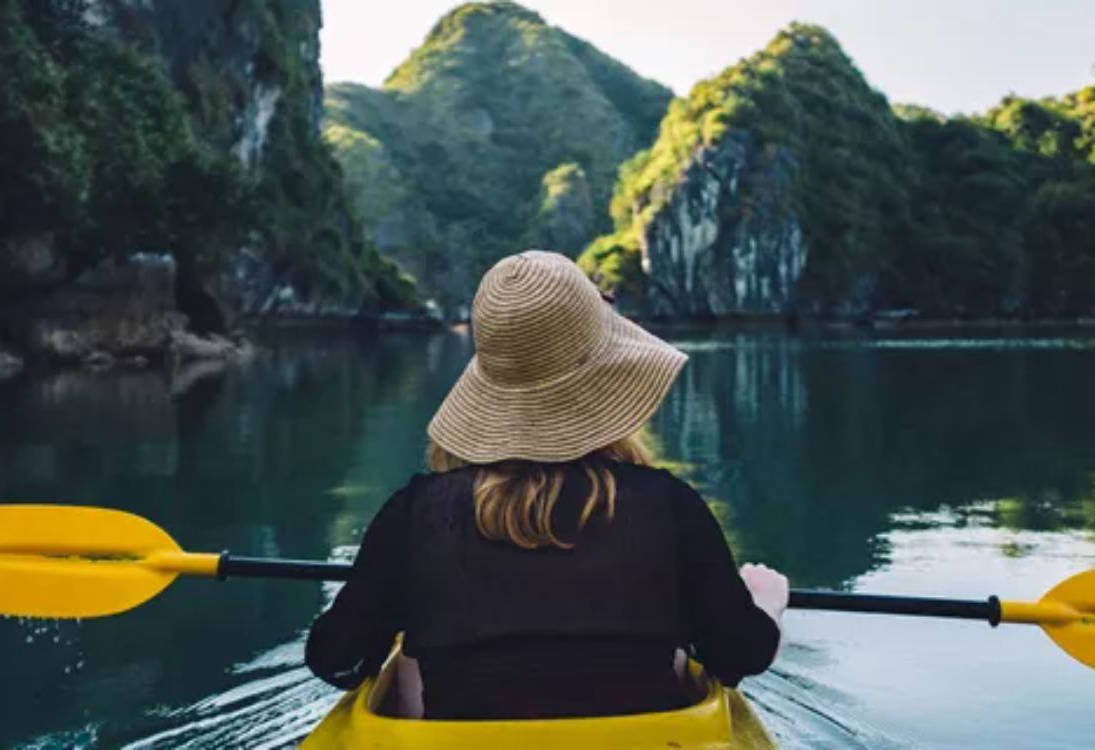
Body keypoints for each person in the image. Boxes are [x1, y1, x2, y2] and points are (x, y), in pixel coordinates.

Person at [305, 250, 788, 720]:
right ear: (607, 381)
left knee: (412, 661)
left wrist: (404, 606)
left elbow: (336, 661)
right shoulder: (669, 506)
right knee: (678, 656)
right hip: (646, 735)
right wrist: (764, 604)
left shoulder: (414, 514)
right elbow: (736, 657)